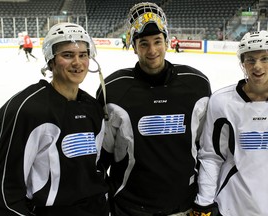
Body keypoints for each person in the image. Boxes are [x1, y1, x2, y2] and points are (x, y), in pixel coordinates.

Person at [0, 22, 109, 216]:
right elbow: (1, 195)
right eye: (67, 55)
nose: (77, 62)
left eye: (83, 55)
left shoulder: (93, 108)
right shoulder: (27, 110)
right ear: (51, 60)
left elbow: (96, 170)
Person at [96, 2, 211, 216]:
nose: (152, 50)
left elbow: (207, 150)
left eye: (158, 41)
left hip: (184, 206)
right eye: (143, 43)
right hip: (129, 207)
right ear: (133, 46)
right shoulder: (113, 91)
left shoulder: (196, 85)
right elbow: (102, 156)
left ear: (167, 42)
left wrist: (206, 198)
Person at [192, 30, 268, 216]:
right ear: (242, 63)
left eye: (265, 58)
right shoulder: (222, 102)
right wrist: (204, 202)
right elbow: (211, 156)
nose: (257, 66)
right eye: (250, 59)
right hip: (232, 206)